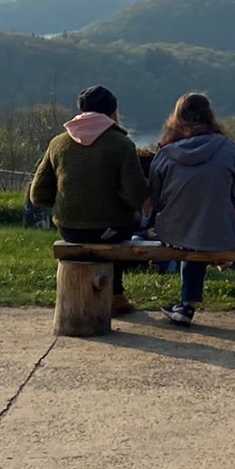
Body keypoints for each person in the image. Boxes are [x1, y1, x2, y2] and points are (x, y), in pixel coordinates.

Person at [28, 85, 150, 316]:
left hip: (69, 228)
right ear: (112, 112)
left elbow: (38, 194)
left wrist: (66, 201)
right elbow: (136, 196)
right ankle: (115, 295)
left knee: (108, 230)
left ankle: (112, 296)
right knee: (128, 225)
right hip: (111, 228)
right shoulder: (122, 145)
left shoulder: (58, 143)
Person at [148, 93, 235, 327]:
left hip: (174, 229)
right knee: (201, 227)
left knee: (190, 232)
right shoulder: (228, 148)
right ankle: (187, 304)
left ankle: (186, 305)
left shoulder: (165, 152)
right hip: (218, 227)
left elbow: (155, 195)